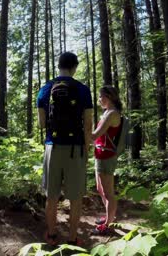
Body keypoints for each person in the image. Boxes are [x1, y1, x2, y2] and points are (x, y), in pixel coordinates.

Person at [37, 52, 93, 246]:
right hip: (75, 148)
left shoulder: (45, 89)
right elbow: (87, 125)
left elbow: (42, 124)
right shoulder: (83, 90)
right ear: (74, 67)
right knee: (76, 197)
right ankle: (72, 238)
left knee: (51, 196)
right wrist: (87, 149)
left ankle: (52, 235)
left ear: (58, 65)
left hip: (52, 147)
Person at [91, 86, 123, 235]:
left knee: (108, 192)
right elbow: (98, 138)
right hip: (100, 154)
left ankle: (108, 225)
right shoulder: (106, 113)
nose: (99, 99)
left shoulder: (112, 114)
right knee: (100, 189)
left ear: (109, 97)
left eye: (101, 96)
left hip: (106, 156)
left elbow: (94, 134)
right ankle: (108, 217)